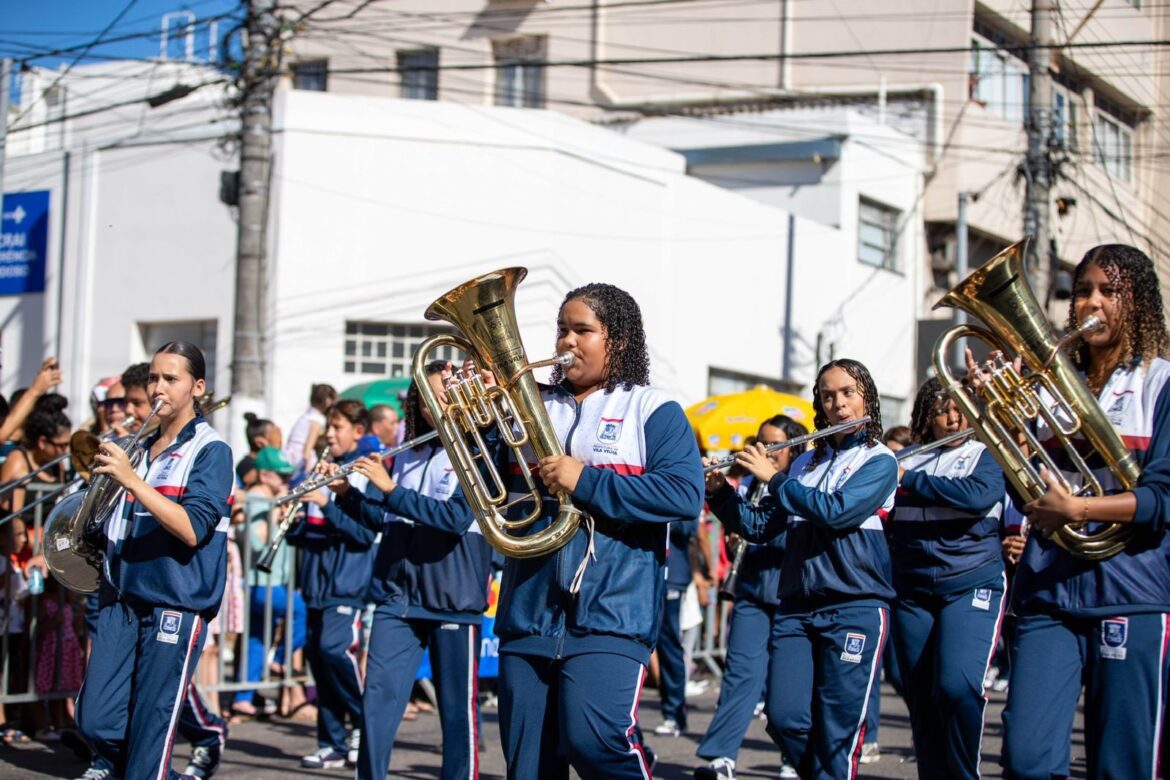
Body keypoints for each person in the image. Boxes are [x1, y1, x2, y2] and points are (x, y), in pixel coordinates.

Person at [488, 282, 704, 779]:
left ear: (619, 342)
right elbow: (493, 488)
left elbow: (682, 495)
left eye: (582, 330)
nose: (566, 340)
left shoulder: (652, 408)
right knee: (527, 765)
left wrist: (584, 480)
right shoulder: (529, 405)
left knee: (594, 742)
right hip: (528, 609)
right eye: (562, 328)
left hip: (612, 610)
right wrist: (480, 415)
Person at [993, 244, 1170, 779]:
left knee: (1121, 766)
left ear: (1136, 302)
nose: (1091, 302)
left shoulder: (1160, 382)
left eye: (1108, 291)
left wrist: (1081, 506)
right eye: (1082, 290)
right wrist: (997, 416)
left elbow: (1163, 498)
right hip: (1048, 588)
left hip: (1130, 588)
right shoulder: (1048, 384)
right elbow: (1023, 484)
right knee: (1025, 760)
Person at [706, 358, 896, 780]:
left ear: (866, 397)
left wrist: (774, 479)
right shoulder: (802, 464)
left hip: (855, 603)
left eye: (848, 393)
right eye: (828, 396)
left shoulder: (879, 460)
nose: (839, 404)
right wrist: (722, 494)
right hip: (798, 606)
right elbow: (759, 526)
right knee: (784, 716)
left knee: (837, 729)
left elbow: (838, 512)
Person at [74, 342, 234, 780]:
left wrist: (131, 481)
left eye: (171, 379)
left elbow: (191, 528)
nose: (158, 387)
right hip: (122, 596)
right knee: (94, 718)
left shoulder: (211, 449)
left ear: (197, 387)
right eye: (153, 378)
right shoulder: (139, 447)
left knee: (152, 731)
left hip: (174, 600)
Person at [332, 360, 491, 780]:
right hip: (397, 597)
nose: (441, 404)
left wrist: (389, 489)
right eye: (432, 396)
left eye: (447, 396)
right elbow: (382, 520)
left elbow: (454, 518)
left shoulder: (476, 449)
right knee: (377, 701)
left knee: (457, 712)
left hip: (453, 597)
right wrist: (347, 494)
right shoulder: (406, 451)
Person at [890, 377, 1006, 779]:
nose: (953, 419)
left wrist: (910, 480)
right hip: (912, 591)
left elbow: (976, 496)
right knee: (920, 698)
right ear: (926, 415)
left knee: (956, 687)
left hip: (971, 582)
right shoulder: (904, 458)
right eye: (942, 410)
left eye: (960, 409)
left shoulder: (987, 453)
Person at [695, 415, 806, 780]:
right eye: (762, 443)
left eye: (775, 445)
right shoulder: (748, 484)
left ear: (794, 448)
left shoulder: (799, 482)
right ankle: (721, 756)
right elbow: (744, 522)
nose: (766, 452)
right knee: (739, 674)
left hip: (792, 591)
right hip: (752, 587)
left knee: (786, 686)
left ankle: (794, 755)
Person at [284, 399, 380, 770]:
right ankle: (331, 743)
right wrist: (292, 522)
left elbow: (364, 534)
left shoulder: (364, 473)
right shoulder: (318, 467)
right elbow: (308, 534)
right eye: (328, 426)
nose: (329, 434)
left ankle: (363, 723)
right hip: (316, 580)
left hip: (348, 580)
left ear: (357, 431)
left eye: (337, 427)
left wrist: (325, 502)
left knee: (334, 650)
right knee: (319, 662)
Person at [231, 446, 308, 720]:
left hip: (265, 582)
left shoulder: (274, 497)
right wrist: (276, 519)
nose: (286, 481)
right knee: (301, 612)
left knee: (256, 639)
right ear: (265, 475)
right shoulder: (258, 499)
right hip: (265, 582)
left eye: (288, 476)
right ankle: (281, 660)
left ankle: (243, 697)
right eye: (281, 476)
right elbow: (255, 543)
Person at [283, 384, 337, 476]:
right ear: (328, 401)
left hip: (290, 454)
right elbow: (307, 449)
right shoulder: (317, 419)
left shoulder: (307, 416)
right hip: (299, 457)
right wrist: (307, 474)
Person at [236, 413, 282, 488]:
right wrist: (271, 451)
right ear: (259, 442)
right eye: (275, 434)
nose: (279, 438)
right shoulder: (245, 465)